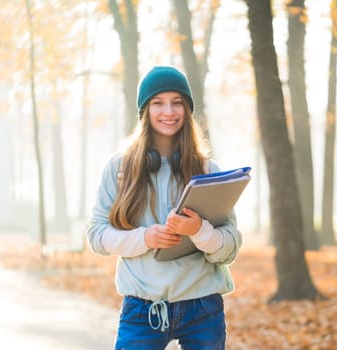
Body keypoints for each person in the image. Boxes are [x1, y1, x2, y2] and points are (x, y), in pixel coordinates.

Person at [86, 66, 242, 350]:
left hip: (203, 307)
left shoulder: (209, 170)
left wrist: (198, 231)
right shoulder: (119, 168)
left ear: (188, 109)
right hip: (142, 309)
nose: (168, 111)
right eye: (158, 103)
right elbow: (97, 236)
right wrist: (145, 238)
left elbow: (230, 247)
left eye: (177, 102)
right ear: (145, 111)